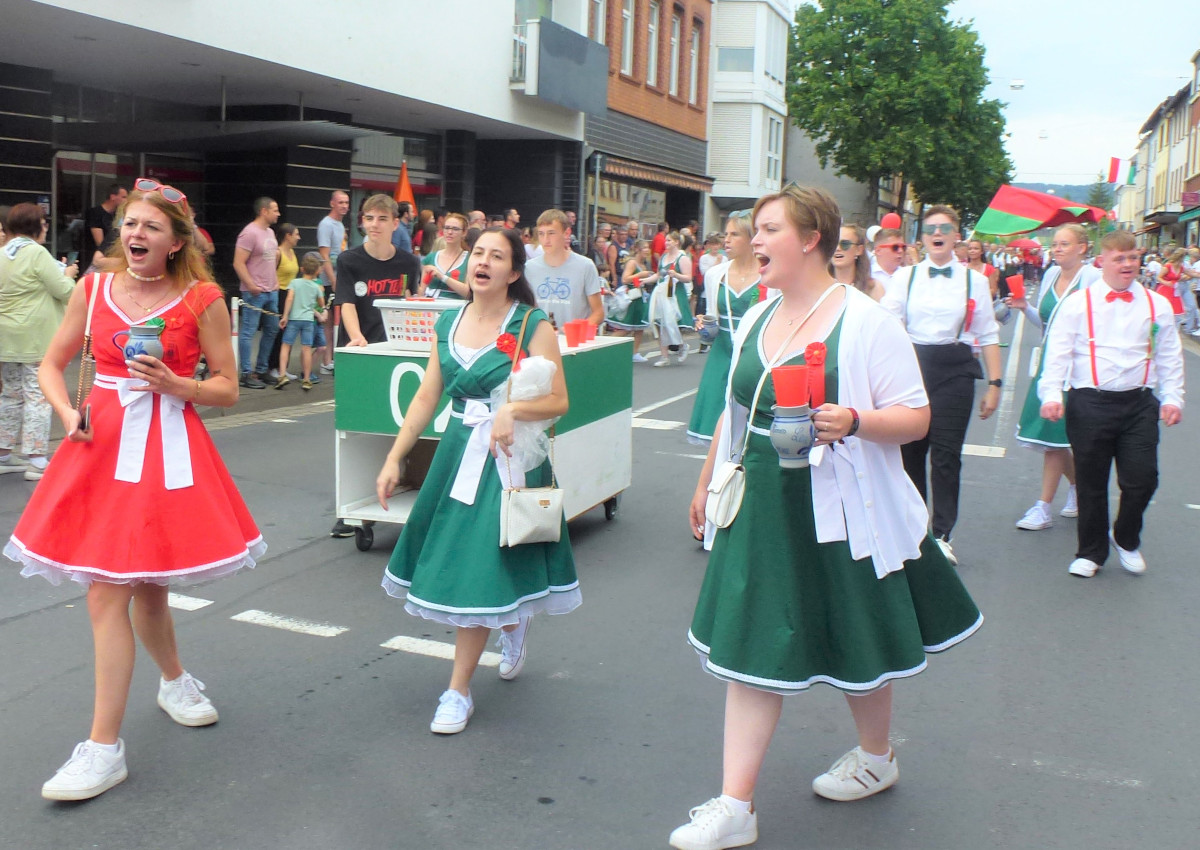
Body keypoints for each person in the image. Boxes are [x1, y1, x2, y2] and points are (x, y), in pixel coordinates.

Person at [673, 184, 981, 850]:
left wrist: (854, 420)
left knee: (858, 638)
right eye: (753, 230)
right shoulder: (758, 318)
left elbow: (917, 416)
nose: (753, 242)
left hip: (842, 510)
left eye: (767, 229)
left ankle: (876, 757)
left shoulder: (867, 320)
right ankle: (735, 804)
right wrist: (707, 481)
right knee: (751, 644)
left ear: (810, 239)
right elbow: (739, 412)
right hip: (760, 505)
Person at [4, 178, 263, 801]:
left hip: (167, 447)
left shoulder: (204, 298)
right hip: (100, 447)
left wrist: (181, 385)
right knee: (106, 593)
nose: (135, 234)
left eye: (150, 226)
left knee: (148, 589)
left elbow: (228, 386)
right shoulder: (92, 289)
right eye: (129, 224)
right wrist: (67, 414)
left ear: (176, 241)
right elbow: (51, 361)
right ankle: (104, 747)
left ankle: (171, 680)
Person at [376, 227, 580, 734]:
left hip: (510, 459)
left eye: (496, 256)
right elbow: (427, 395)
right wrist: (395, 457)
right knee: (476, 564)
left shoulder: (533, 323)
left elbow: (559, 401)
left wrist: (512, 407)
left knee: (480, 568)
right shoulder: (448, 321)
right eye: (478, 254)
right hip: (457, 456)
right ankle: (511, 623)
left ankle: (458, 690)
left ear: (514, 273)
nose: (483, 263)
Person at [1038, 230, 1185, 579]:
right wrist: (1051, 394)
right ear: (1101, 261)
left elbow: (1169, 356)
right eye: (1119, 258)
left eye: (1133, 257)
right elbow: (1057, 352)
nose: (1128, 264)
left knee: (1142, 478)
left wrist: (1173, 397)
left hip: (1138, 403)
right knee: (1091, 481)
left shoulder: (1156, 304)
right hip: (1090, 402)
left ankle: (1126, 538)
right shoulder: (1078, 303)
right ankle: (1091, 552)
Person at [880, 205, 1002, 566]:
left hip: (956, 370)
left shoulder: (974, 281)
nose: (937, 233)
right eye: (931, 227)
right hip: (912, 368)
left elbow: (989, 333)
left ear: (955, 236)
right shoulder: (905, 278)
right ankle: (912, 530)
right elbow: (887, 323)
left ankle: (943, 533)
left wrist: (995, 384)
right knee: (910, 453)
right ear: (922, 236)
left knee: (947, 456)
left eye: (945, 228)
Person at [1010, 225, 1100, 530]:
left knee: (1056, 438)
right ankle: (1073, 491)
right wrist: (1025, 308)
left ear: (1082, 248)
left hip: (1079, 367)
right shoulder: (1050, 275)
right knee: (1053, 437)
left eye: (1065, 244)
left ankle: (1045, 505)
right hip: (1050, 362)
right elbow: (1045, 324)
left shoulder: (1093, 279)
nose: (1058, 249)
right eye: (1056, 244)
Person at [0, 204, 79, 480]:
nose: (46, 227)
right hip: (35, 337)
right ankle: (36, 459)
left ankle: (4, 453)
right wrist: (68, 275)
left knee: (10, 395)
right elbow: (63, 290)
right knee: (38, 396)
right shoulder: (36, 252)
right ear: (35, 226)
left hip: (6, 338)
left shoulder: (3, 254)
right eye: (44, 223)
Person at [685, 211, 773, 445]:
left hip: (756, 355)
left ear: (751, 237)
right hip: (721, 354)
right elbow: (712, 316)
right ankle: (719, 480)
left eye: (734, 234)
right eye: (726, 234)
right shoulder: (715, 274)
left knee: (752, 428)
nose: (727, 240)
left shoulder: (769, 274)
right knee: (716, 427)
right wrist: (703, 323)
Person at [335, 194, 422, 348]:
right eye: (369, 218)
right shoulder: (348, 260)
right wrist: (357, 338)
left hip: (394, 346)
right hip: (358, 345)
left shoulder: (410, 263)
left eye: (382, 219)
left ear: (395, 224)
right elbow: (347, 304)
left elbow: (410, 302)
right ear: (363, 222)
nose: (374, 224)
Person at [232, 196, 281, 389]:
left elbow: (273, 257)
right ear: (264, 211)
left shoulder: (269, 232)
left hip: (270, 290)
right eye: (275, 210)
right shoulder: (249, 233)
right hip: (255, 292)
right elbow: (238, 262)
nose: (278, 213)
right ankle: (245, 373)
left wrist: (275, 280)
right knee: (249, 332)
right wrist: (251, 285)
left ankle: (261, 370)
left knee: (272, 329)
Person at [526, 209, 604, 327]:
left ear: (567, 233)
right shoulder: (529, 268)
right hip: (539, 339)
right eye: (541, 233)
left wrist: (576, 332)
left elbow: (598, 312)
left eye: (551, 233)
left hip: (573, 342)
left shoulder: (585, 266)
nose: (546, 239)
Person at [276, 253, 327, 391]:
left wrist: (285, 316)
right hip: (308, 321)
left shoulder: (294, 283)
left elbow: (289, 299)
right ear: (317, 270)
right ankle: (306, 379)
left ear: (302, 269)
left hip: (293, 319)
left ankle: (281, 375)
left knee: (286, 346)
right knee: (306, 348)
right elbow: (321, 304)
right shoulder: (316, 287)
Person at [646, 230, 694, 366]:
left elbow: (688, 278)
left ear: (677, 242)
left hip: (674, 293)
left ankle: (681, 345)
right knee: (659, 322)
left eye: (669, 240)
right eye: (666, 240)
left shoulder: (682, 258)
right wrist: (645, 280)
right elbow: (658, 275)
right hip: (661, 292)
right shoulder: (663, 257)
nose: (666, 243)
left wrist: (676, 275)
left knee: (672, 323)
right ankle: (664, 357)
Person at [317, 191, 349, 373]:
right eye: (341, 202)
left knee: (335, 321)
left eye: (346, 202)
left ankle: (330, 358)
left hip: (340, 277)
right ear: (332, 204)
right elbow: (324, 255)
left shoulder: (340, 225)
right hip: (329, 280)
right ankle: (325, 361)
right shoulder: (326, 225)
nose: (344, 206)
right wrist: (333, 280)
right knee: (328, 321)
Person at [609, 239, 654, 362]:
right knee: (625, 328)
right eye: (644, 248)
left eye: (647, 248)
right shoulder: (632, 263)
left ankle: (634, 353)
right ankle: (606, 346)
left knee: (640, 327)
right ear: (638, 249)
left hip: (640, 297)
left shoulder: (644, 264)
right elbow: (624, 279)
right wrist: (640, 275)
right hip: (632, 297)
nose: (647, 250)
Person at [269, 222, 302, 382]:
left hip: (291, 293)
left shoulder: (292, 253)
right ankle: (273, 366)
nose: (299, 237)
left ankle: (283, 367)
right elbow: (272, 273)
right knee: (279, 331)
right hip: (280, 293)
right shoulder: (278, 253)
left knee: (289, 332)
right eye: (296, 234)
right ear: (288, 236)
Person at [421, 212, 470, 299]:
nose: (450, 232)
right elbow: (421, 291)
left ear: (464, 232)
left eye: (455, 229)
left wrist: (442, 277)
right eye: (446, 228)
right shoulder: (431, 257)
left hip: (455, 308)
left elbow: (468, 293)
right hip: (430, 308)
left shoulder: (469, 259)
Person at [830, 223, 884, 300]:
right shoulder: (819, 286)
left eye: (845, 244)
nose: (837, 248)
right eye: (834, 243)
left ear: (859, 250)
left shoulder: (873, 287)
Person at [82, 184, 127, 269]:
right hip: (94, 257)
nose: (126, 200)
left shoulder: (116, 215)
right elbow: (101, 243)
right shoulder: (96, 213)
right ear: (113, 197)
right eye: (124, 197)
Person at [871, 227, 905, 293]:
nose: (900, 251)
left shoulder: (908, 275)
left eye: (903, 247)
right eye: (895, 247)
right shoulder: (867, 275)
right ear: (878, 251)